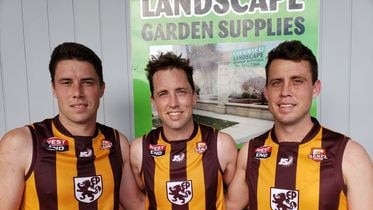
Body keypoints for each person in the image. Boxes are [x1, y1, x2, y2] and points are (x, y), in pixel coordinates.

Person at [225, 40, 373, 210]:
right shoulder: (250, 152)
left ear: (315, 88)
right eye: (276, 82)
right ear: (266, 92)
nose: (285, 91)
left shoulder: (350, 155)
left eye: (297, 81)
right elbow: (230, 206)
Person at [0, 42, 143, 210]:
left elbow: (138, 204)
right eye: (66, 82)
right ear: (54, 88)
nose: (77, 92)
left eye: (87, 82)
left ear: (102, 88)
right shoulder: (20, 142)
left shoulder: (117, 142)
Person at [130, 52, 238, 209]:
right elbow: (140, 200)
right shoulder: (139, 150)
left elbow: (235, 201)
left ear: (194, 96)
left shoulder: (221, 144)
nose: (173, 103)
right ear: (154, 102)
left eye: (180, 91)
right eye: (163, 94)